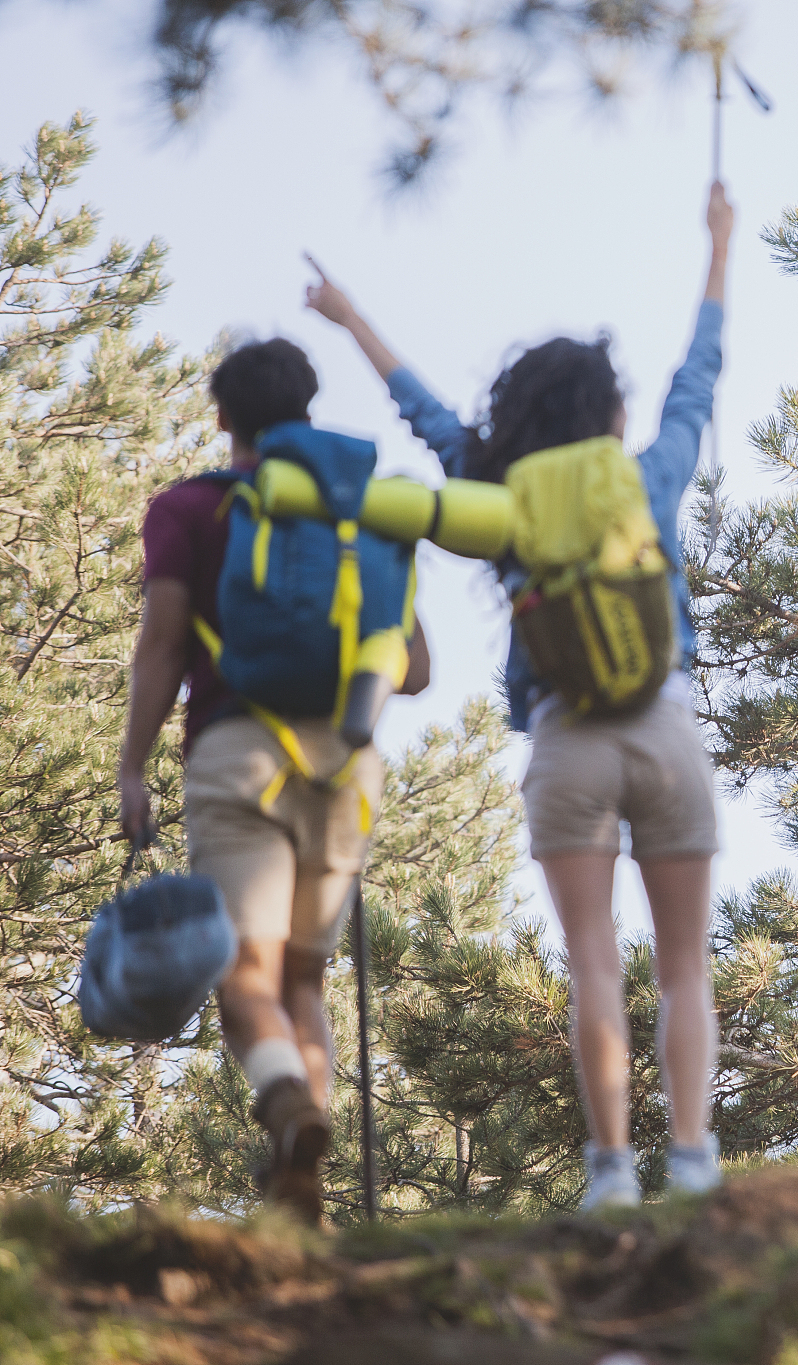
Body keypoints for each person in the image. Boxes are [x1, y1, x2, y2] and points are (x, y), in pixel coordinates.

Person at [306, 182, 734, 1207]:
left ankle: (610, 1171)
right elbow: (699, 375)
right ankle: (692, 1160)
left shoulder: (498, 489)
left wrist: (351, 318)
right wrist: (719, 244)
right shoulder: (647, 478)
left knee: (594, 962)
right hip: (665, 728)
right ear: (610, 415)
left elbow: (427, 420)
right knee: (684, 965)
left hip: (565, 740)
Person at [119, 338, 432, 1223]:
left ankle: (288, 1103)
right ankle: (303, 1188)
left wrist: (133, 765)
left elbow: (163, 647)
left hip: (238, 753)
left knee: (244, 977)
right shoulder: (361, 511)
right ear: (307, 407)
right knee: (302, 982)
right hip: (346, 766)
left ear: (223, 415)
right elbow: (415, 669)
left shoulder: (188, 509)